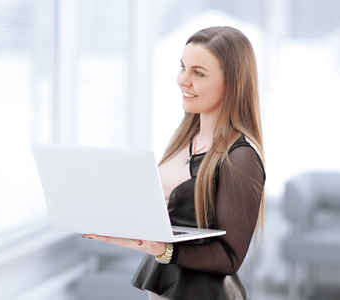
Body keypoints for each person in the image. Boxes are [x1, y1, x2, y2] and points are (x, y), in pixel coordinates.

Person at [83, 26, 265, 300]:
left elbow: (230, 257)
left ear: (232, 83)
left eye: (198, 73)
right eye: (182, 67)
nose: (183, 80)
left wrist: (162, 248)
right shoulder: (185, 138)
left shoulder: (241, 156)